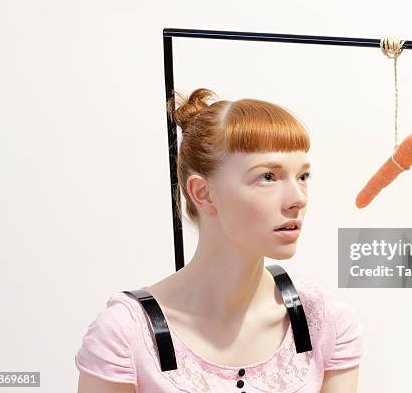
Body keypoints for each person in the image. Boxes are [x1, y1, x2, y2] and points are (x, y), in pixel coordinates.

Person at [75, 88, 366, 392]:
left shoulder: (324, 322)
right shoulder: (126, 335)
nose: (297, 199)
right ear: (203, 193)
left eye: (303, 176)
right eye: (268, 176)